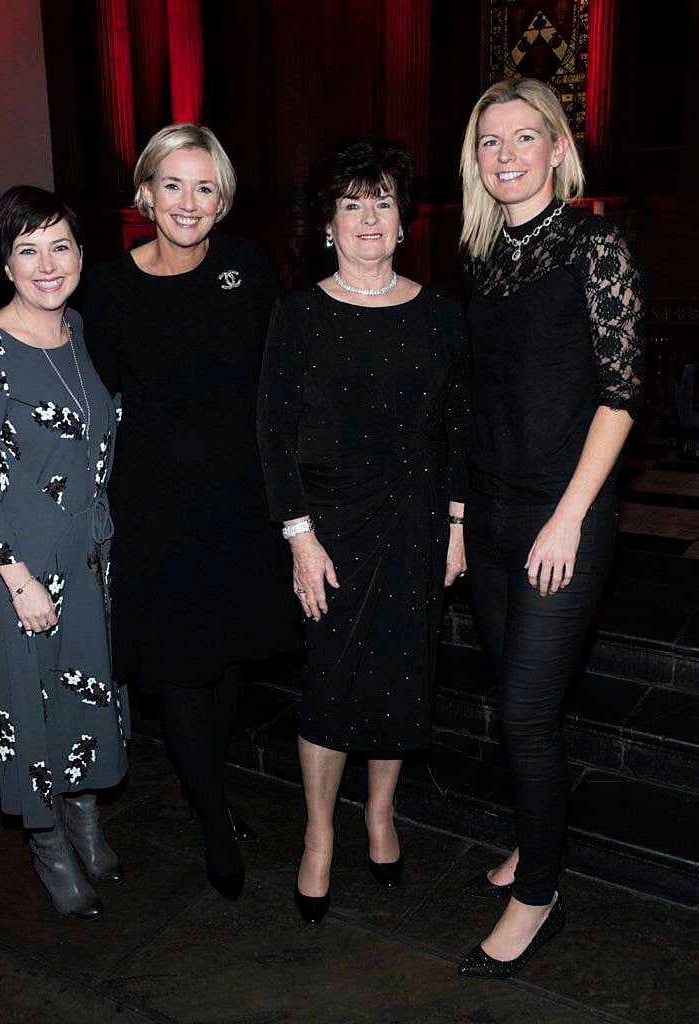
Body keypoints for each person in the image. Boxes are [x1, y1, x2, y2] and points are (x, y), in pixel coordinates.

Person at [456, 78, 645, 978]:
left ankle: (540, 896)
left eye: (523, 138)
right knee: (515, 700)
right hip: (489, 514)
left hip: (559, 518)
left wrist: (570, 518)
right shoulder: (481, 255)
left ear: (556, 148)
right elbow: (473, 400)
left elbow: (621, 394)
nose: (506, 156)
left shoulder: (595, 244)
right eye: (490, 142)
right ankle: (532, 847)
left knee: (527, 713)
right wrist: (459, 515)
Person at [257, 137, 470, 924]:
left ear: (403, 220)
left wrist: (457, 523)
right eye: (352, 203)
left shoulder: (442, 312)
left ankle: (379, 814)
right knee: (332, 680)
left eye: (382, 201)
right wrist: (299, 537)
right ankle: (319, 832)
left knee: (400, 678)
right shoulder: (299, 314)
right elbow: (272, 433)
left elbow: (459, 425)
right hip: (332, 531)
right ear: (327, 225)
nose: (368, 217)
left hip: (416, 526)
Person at [84, 124, 298, 900]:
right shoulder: (108, 288)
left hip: (241, 503)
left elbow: (283, 378)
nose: (188, 202)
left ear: (223, 200)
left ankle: (211, 791)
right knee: (181, 665)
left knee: (228, 653)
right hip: (156, 508)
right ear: (145, 193)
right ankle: (212, 820)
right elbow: (85, 395)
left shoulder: (247, 267)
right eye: (172, 184)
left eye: (204, 187)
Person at [0, 186, 128, 921]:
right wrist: (15, 577)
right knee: (29, 704)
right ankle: (48, 842)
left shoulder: (78, 330)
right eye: (28, 250)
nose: (47, 265)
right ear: (5, 263)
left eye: (61, 247)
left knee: (88, 690)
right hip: (17, 567)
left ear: (81, 256)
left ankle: (84, 818)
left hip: (87, 553)